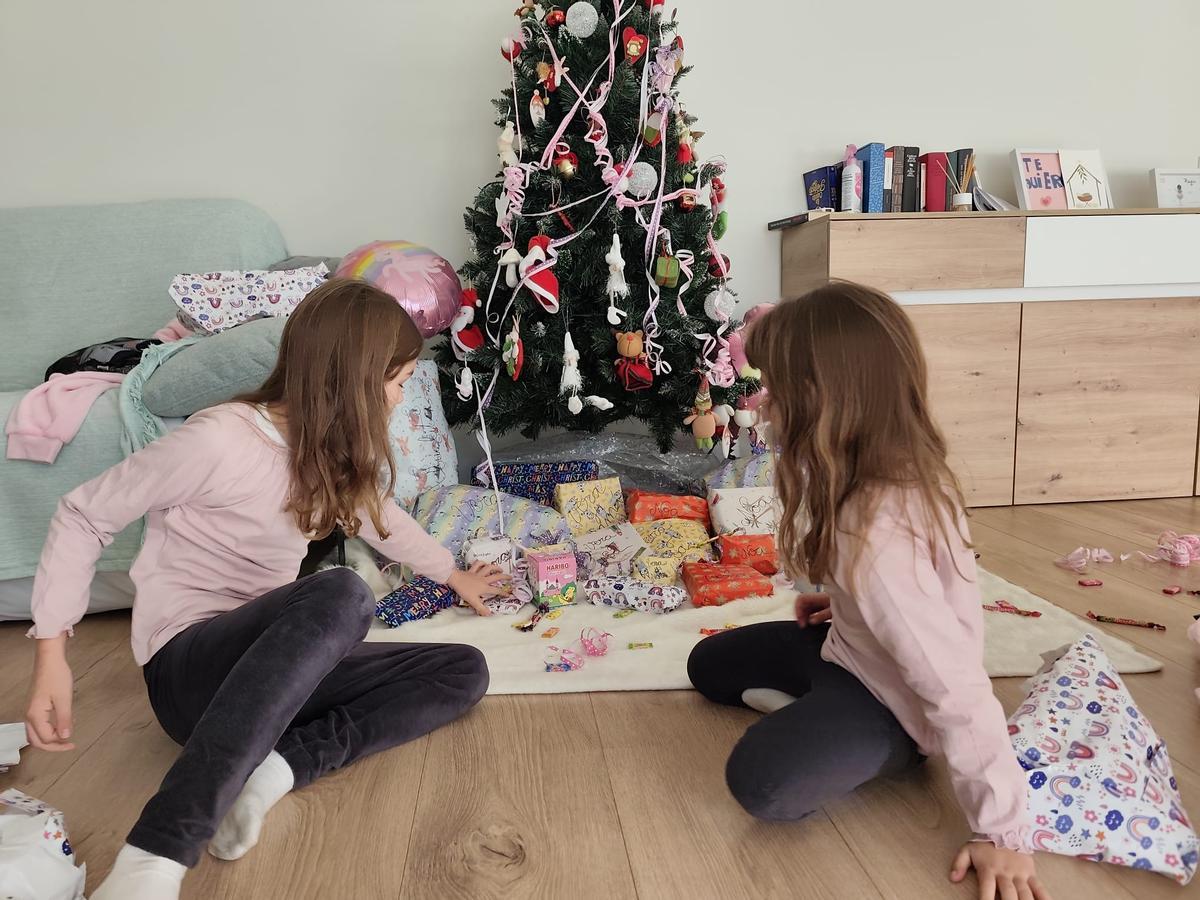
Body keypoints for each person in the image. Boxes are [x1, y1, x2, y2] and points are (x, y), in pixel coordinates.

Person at [24, 279, 507, 900]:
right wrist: (51, 656)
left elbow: (384, 519)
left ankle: (274, 771)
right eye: (396, 379)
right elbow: (85, 514)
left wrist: (452, 573)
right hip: (189, 672)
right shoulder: (221, 438)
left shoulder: (329, 455)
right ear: (355, 379)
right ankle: (154, 855)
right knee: (343, 593)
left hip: (273, 679)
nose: (399, 395)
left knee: (462, 670)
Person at [688, 282, 1050, 900]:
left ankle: (884, 749)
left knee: (763, 782)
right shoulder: (872, 474)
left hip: (898, 705)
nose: (761, 402)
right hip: (850, 651)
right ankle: (815, 703)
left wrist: (1004, 834)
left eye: (775, 387)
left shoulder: (883, 535)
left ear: (824, 400)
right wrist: (846, 602)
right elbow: (907, 590)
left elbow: (957, 686)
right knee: (706, 665)